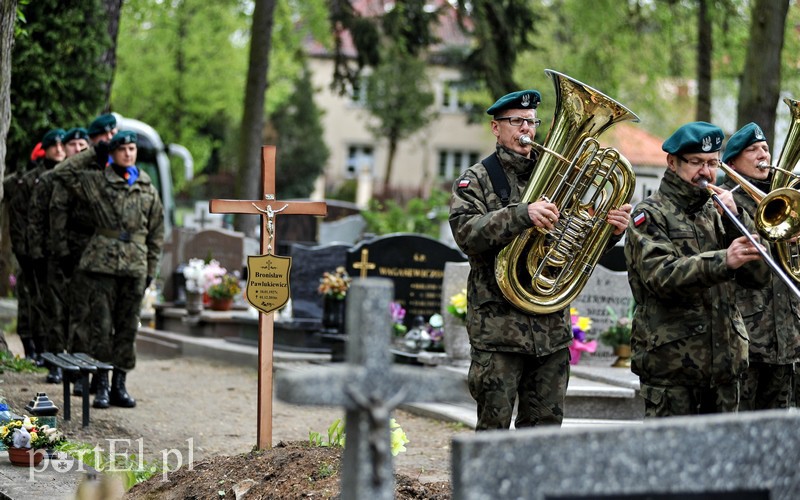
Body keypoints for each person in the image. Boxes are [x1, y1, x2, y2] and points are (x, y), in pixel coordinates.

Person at [449, 89, 632, 430]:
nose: (527, 129)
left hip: (550, 331)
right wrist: (522, 214)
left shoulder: (558, 178)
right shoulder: (475, 180)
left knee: (545, 431)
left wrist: (610, 232)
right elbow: (467, 234)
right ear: (496, 128)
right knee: (494, 429)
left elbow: (573, 248)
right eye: (517, 121)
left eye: (532, 122)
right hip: (499, 333)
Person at [624, 121, 771, 417]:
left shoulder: (718, 211)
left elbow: (758, 279)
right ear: (672, 162)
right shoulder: (649, 214)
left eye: (712, 163)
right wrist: (723, 260)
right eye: (696, 162)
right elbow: (661, 276)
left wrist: (734, 221)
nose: (705, 172)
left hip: (724, 369)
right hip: (673, 369)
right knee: (671, 461)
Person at [55, 130, 164, 408]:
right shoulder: (97, 183)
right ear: (112, 153)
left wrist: (151, 268)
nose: (129, 153)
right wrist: (94, 151)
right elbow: (62, 173)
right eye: (122, 149)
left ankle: (119, 384)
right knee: (100, 328)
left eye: (132, 149)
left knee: (127, 328)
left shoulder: (147, 188)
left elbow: (156, 234)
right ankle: (101, 384)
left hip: (135, 266)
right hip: (101, 265)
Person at [720, 122, 800, 410]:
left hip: (788, 341)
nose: (761, 154)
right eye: (752, 150)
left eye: (765, 148)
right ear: (732, 162)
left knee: (778, 437)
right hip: (747, 341)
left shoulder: (789, 201)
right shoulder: (724, 204)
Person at [6, 129, 66, 369]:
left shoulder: (69, 176)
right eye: (55, 146)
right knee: (34, 302)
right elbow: (22, 220)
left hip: (59, 252)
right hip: (35, 254)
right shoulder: (31, 180)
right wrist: (26, 254)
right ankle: (35, 348)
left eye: (63, 146)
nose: (60, 150)